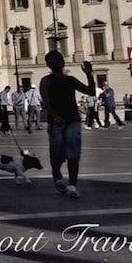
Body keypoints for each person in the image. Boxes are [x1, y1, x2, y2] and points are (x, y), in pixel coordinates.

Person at [39, 50, 95, 198]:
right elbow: (46, 101)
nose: (58, 63)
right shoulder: (47, 80)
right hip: (58, 121)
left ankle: (72, 184)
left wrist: (89, 74)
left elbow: (91, 91)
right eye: (54, 61)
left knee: (73, 154)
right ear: (50, 64)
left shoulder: (70, 80)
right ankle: (57, 176)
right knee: (57, 153)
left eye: (58, 60)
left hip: (72, 120)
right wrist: (54, 115)